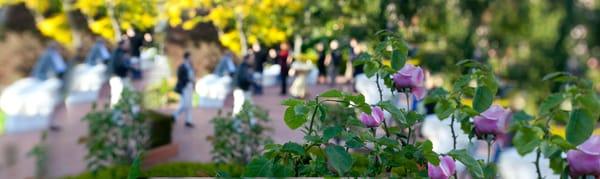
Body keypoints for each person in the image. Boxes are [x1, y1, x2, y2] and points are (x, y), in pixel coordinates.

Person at [173, 51, 196, 128]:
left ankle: (188, 121)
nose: (191, 59)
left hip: (190, 87)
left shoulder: (191, 66)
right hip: (184, 87)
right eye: (189, 57)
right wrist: (188, 79)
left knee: (189, 105)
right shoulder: (181, 67)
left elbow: (193, 76)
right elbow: (180, 78)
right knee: (184, 104)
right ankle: (174, 115)